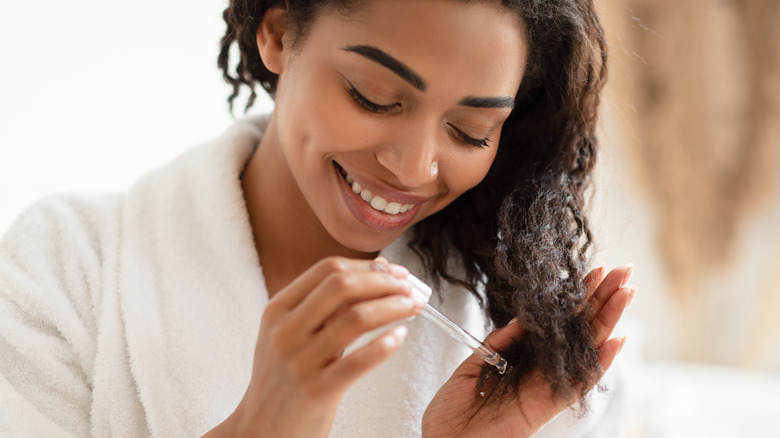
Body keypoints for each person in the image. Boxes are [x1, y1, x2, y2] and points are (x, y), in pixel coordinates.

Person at [0, 0, 634, 437]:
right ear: (278, 31)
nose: (413, 168)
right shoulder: (67, 268)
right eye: (374, 97)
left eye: (470, 131)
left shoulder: (534, 335)